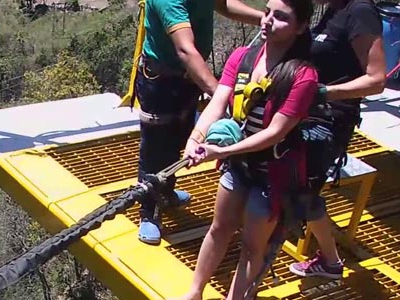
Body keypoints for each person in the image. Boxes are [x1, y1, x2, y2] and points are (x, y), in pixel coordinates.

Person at [175, 0, 319, 297]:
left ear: (301, 27)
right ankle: (195, 291)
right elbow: (219, 101)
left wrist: (222, 152)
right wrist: (195, 138)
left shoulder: (302, 77)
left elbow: (275, 132)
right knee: (219, 228)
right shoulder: (243, 58)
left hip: (272, 173)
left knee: (253, 247)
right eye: (267, 12)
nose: (267, 21)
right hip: (238, 165)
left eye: (280, 17)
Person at [133, 0, 265, 245]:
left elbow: (223, 5)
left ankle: (167, 191)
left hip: (188, 78)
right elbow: (185, 50)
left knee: (182, 137)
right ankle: (149, 212)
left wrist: (263, 19)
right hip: (161, 82)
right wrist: (219, 93)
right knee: (156, 148)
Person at [287, 0, 386, 279]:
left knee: (301, 191)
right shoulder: (334, 8)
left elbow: (376, 80)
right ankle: (330, 260)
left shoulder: (360, 12)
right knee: (301, 190)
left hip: (329, 121)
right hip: (306, 114)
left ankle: (328, 261)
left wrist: (322, 93)